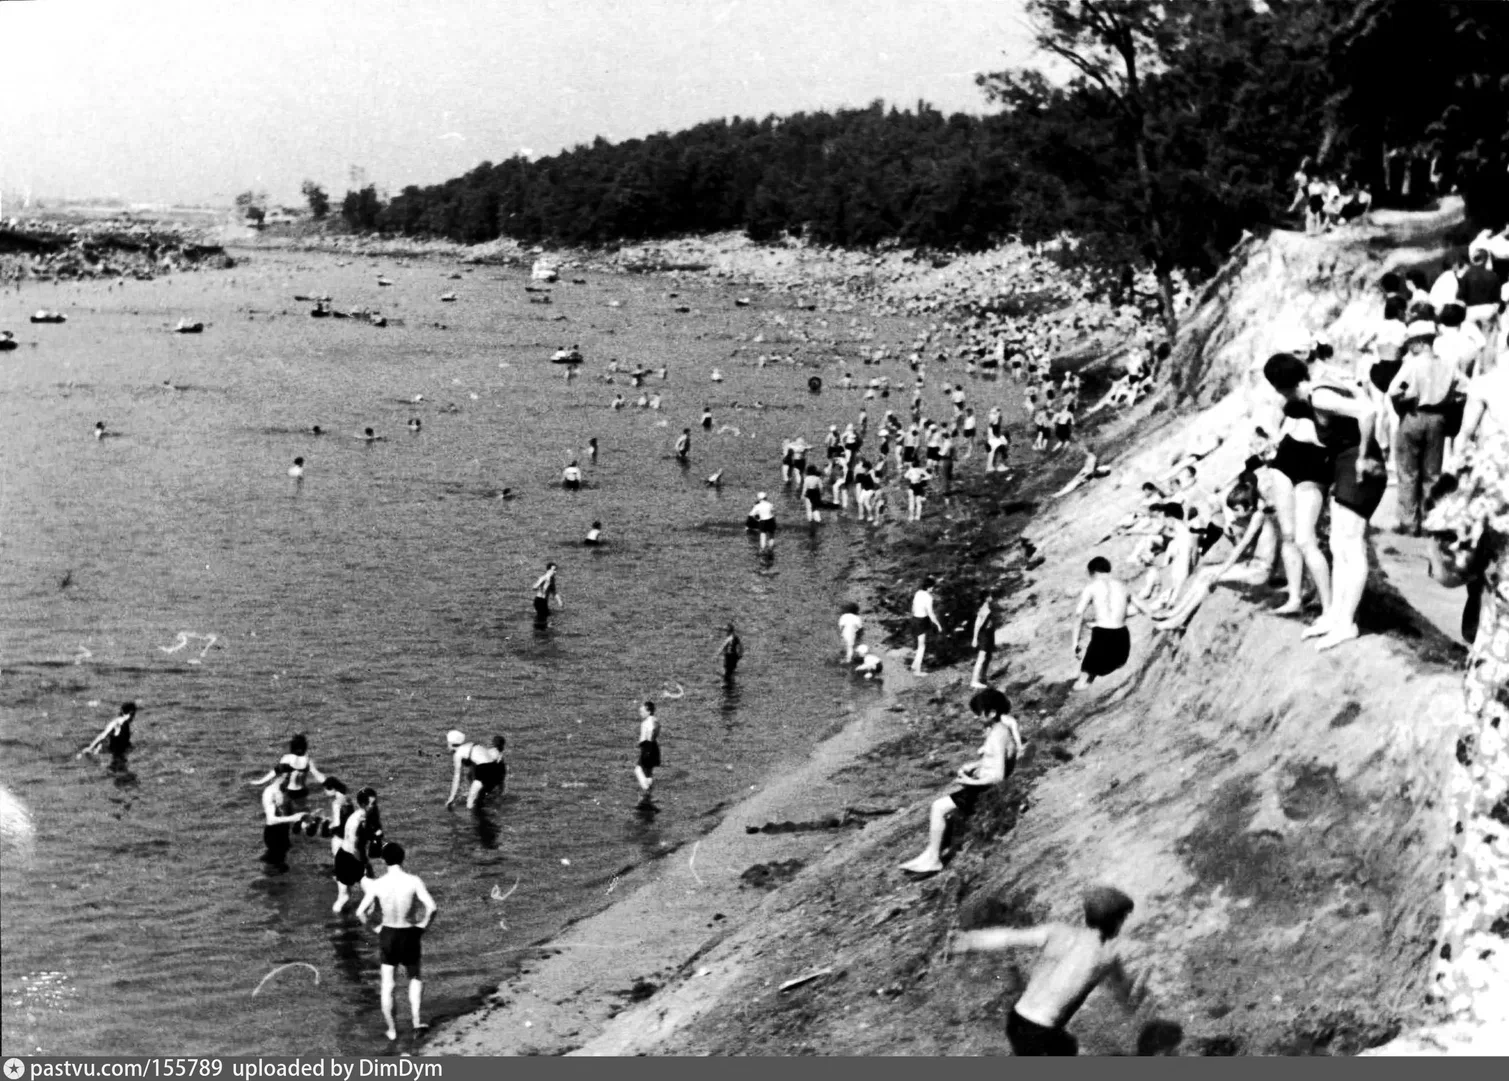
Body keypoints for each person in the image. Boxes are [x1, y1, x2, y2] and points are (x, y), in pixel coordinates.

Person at [1265, 352, 1385, 650]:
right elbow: (1359, 396)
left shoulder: (1318, 398)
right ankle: (1336, 615)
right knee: (1338, 544)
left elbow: (1368, 411)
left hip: (1358, 465)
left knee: (1351, 543)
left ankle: (1347, 623)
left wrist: (1364, 454)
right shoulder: (1319, 390)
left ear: (1281, 387)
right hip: (1346, 464)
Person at [949, 886, 1145, 1056]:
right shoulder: (1107, 957)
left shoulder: (1057, 932)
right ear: (1117, 921)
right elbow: (1125, 995)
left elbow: (1008, 937)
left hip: (1017, 1019)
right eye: (1124, 918)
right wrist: (1135, 993)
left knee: (1066, 1047)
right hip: (1042, 1031)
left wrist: (969, 940)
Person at [899, 687, 1022, 874]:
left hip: (984, 790)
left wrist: (968, 782)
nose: (976, 718)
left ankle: (933, 858)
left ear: (992, 713)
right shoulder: (1000, 730)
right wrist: (974, 765)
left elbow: (997, 776)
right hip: (982, 785)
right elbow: (996, 759)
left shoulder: (998, 736)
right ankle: (930, 853)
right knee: (942, 808)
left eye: (979, 714)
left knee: (938, 807)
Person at [356, 842, 438, 1042]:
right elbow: (432, 907)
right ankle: (416, 1022)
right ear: (403, 858)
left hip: (388, 933)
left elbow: (360, 912)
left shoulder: (378, 884)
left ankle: (392, 1030)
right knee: (415, 977)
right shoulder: (413, 881)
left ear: (383, 860)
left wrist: (375, 929)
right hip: (409, 931)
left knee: (387, 984)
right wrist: (423, 927)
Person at [1388, 320, 1463, 535]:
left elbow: (1394, 391)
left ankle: (1409, 523)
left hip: (1413, 415)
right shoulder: (1447, 364)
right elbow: (1464, 388)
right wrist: (1449, 402)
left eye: (1411, 343)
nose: (1409, 347)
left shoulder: (1412, 364)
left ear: (1420, 342)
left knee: (1408, 471)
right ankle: (1431, 521)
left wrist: (1400, 409)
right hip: (1438, 419)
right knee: (1432, 473)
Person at [1072, 557, 1152, 688]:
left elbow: (1079, 614)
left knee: (1084, 677)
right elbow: (1143, 607)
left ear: (1092, 572)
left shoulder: (1091, 587)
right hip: (1122, 636)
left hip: (1102, 635)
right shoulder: (1123, 586)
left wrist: (1075, 642)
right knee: (1109, 666)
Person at [248, 734, 326, 802]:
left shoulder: (287, 758)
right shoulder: (307, 760)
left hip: (289, 791)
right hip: (302, 792)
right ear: (305, 747)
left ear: (292, 746)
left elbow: (275, 772)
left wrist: (259, 782)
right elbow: (317, 774)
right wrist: (327, 782)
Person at [261, 763, 309, 869]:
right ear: (278, 776)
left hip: (284, 832)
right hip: (273, 833)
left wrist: (302, 821)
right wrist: (294, 818)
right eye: (287, 777)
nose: (290, 780)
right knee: (275, 866)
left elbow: (290, 812)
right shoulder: (270, 792)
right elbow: (271, 819)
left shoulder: (285, 790)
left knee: (283, 864)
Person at [445, 730, 507, 810]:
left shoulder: (458, 754)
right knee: (480, 797)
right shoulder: (471, 746)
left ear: (450, 744)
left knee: (470, 804)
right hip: (495, 769)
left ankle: (475, 818)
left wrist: (451, 798)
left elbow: (457, 778)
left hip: (484, 769)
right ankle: (490, 807)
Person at [911, 576, 943, 675]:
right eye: (932, 587)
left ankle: (914, 664)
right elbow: (930, 613)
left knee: (919, 644)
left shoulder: (918, 593)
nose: (933, 589)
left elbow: (913, 607)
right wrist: (938, 625)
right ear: (929, 587)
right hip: (922, 621)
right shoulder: (928, 597)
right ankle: (917, 671)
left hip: (915, 619)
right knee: (922, 646)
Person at [970, 590, 1002, 689]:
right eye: (990, 596)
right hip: (984, 636)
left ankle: (983, 677)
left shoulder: (988, 607)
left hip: (989, 635)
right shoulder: (984, 610)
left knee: (988, 657)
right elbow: (977, 625)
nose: (991, 597)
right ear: (986, 597)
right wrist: (975, 638)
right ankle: (974, 681)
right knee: (981, 658)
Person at [634, 701, 660, 800]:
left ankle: (646, 791)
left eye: (642, 711)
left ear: (648, 712)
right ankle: (650, 794)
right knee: (649, 772)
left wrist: (647, 741)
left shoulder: (647, 722)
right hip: (654, 746)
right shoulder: (656, 720)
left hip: (647, 747)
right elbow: (656, 730)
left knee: (638, 770)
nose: (640, 714)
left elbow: (650, 730)